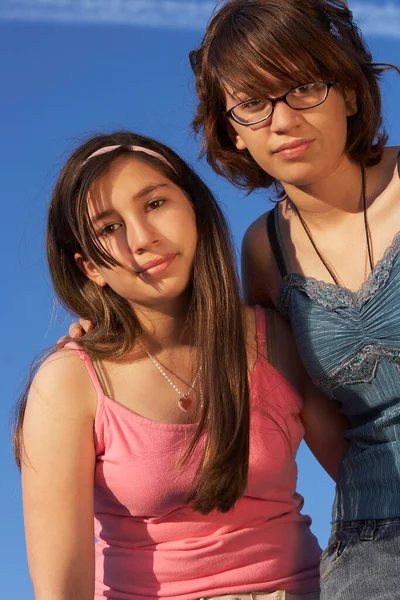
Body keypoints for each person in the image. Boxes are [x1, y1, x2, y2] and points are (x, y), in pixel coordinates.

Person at [15, 130, 342, 600]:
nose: (142, 239)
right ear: (90, 268)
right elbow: (61, 590)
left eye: (154, 204)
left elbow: (365, 478)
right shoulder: (67, 384)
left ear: (192, 207)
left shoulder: (277, 341)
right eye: (109, 228)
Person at [189, 0, 400, 599]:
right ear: (231, 126)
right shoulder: (263, 252)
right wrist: (101, 334)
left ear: (352, 92)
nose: (282, 120)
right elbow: (301, 401)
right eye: (253, 102)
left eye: (304, 86)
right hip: (375, 534)